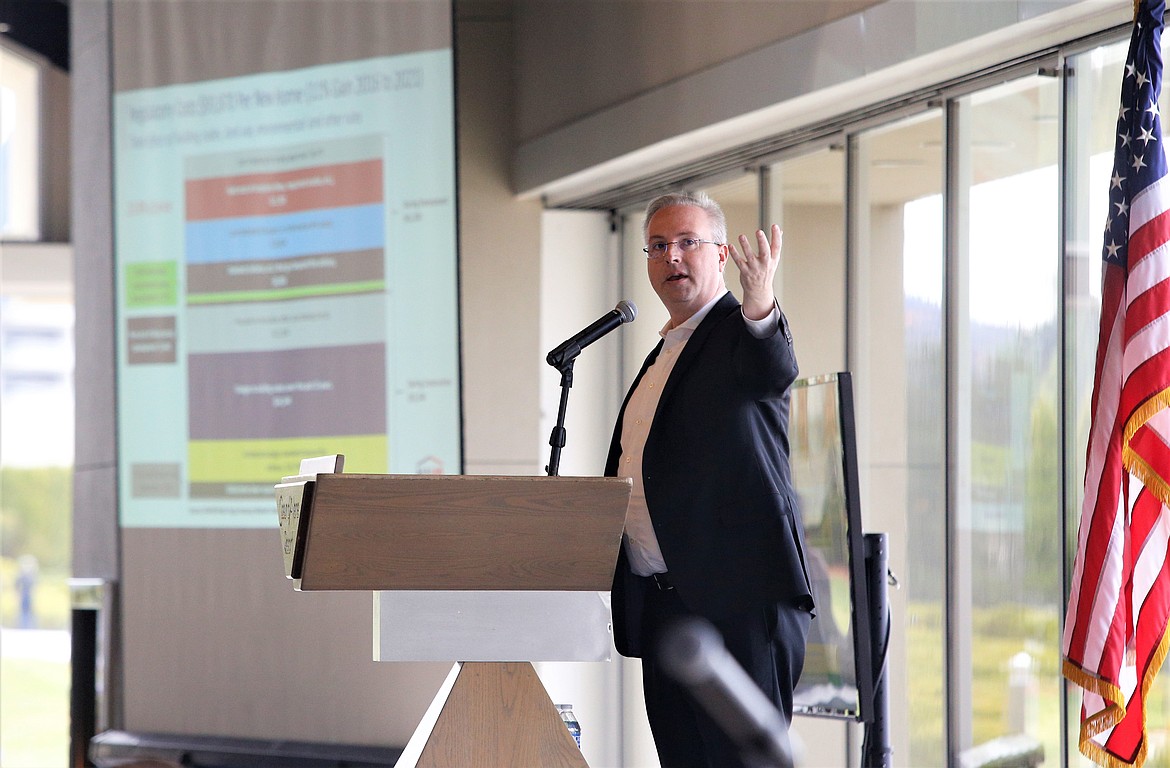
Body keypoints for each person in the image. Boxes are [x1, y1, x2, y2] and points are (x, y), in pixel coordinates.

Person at [606, 191, 815, 767]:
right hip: (665, 605)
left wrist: (761, 302)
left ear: (721, 252)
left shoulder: (735, 332)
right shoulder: (666, 349)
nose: (672, 256)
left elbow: (772, 370)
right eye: (658, 246)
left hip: (737, 604)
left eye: (687, 243)